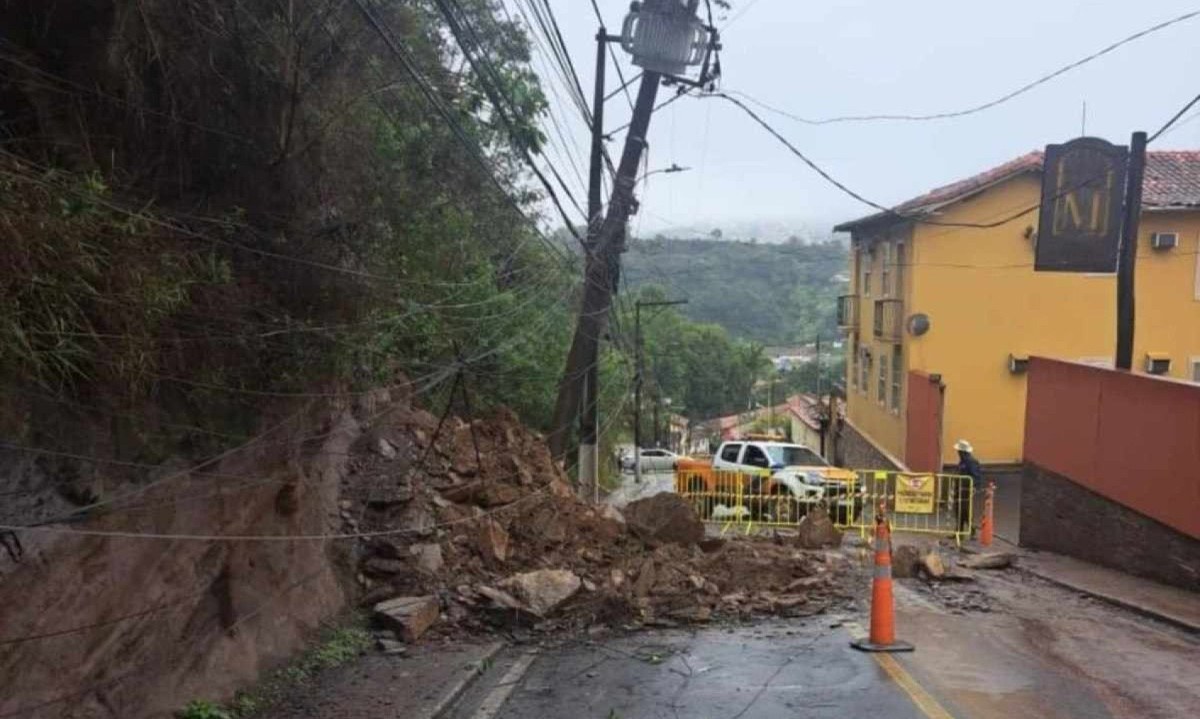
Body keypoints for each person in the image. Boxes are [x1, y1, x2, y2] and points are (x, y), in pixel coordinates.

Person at [954, 439, 983, 536]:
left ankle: (971, 530)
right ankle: (959, 531)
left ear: (963, 452)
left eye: (959, 451)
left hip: (966, 489)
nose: (957, 452)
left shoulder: (971, 462)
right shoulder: (962, 461)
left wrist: (973, 486)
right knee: (959, 510)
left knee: (965, 511)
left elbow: (976, 476)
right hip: (960, 489)